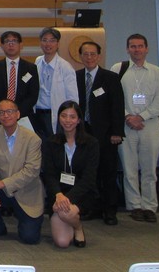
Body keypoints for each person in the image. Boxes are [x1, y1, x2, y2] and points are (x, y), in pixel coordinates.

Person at [111, 33, 159, 223]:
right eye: (132, 46)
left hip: (149, 124)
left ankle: (150, 206)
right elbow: (114, 97)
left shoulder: (157, 72)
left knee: (149, 169)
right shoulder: (119, 69)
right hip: (126, 124)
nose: (137, 50)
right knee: (129, 168)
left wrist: (140, 117)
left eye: (140, 46)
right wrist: (128, 117)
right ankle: (134, 205)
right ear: (127, 49)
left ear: (147, 48)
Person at [0, 98, 44, 244]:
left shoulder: (32, 138)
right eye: (1, 112)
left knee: (29, 238)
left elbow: (31, 171)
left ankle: (26, 221)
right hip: (3, 190)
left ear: (18, 114)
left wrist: (2, 183)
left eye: (9, 111)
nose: (5, 115)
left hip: (27, 192)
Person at [75, 40, 124, 225]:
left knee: (108, 172)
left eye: (92, 54)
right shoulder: (76, 76)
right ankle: (92, 207)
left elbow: (117, 107)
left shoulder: (110, 78)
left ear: (99, 55)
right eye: (85, 54)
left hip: (105, 134)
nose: (89, 57)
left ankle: (110, 210)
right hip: (83, 133)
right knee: (88, 173)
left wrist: (117, 132)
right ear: (80, 56)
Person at [42, 101, 99, 248]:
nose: (68, 120)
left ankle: (78, 227)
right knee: (62, 242)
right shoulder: (50, 142)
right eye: (64, 116)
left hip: (81, 194)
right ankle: (70, 220)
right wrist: (58, 195)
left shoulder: (91, 143)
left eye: (72, 117)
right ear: (59, 118)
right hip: (58, 194)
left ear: (79, 120)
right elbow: (49, 174)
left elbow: (89, 178)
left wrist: (67, 199)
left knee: (66, 213)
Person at [0, 31, 39, 128]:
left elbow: (33, 94)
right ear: (2, 46)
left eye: (14, 41)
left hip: (23, 116)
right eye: (7, 41)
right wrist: (3, 111)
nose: (11, 44)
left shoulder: (31, 68)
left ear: (21, 45)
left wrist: (16, 112)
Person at [33, 27, 78, 139]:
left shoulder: (65, 67)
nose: (48, 44)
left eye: (52, 40)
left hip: (55, 115)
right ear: (40, 42)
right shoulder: (37, 61)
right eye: (44, 40)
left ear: (58, 44)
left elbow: (72, 97)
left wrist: (69, 118)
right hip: (37, 113)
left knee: (56, 146)